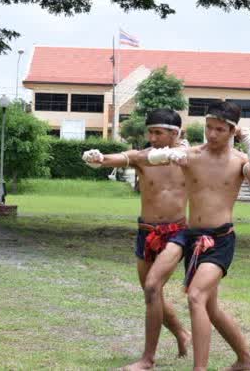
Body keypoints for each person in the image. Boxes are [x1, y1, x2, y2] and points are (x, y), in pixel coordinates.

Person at [131, 101, 250, 371]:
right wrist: (170, 155)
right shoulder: (192, 155)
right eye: (208, 127)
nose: (212, 134)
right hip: (193, 238)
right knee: (211, 308)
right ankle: (246, 360)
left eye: (219, 129)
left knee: (195, 297)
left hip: (220, 240)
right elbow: (144, 157)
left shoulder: (240, 161)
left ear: (233, 131)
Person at [82, 108, 191, 370]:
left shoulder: (190, 157)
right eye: (149, 132)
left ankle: (147, 359)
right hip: (146, 231)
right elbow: (117, 158)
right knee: (152, 292)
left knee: (153, 287)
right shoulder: (143, 157)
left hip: (177, 232)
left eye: (158, 132)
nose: (151, 138)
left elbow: (219, 158)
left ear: (175, 133)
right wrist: (97, 157)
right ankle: (181, 333)